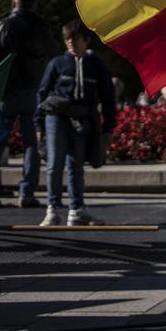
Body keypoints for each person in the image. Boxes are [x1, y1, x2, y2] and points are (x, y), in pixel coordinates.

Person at [0, 0, 58, 209]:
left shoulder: (0, 25)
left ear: (13, 3)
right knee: (31, 144)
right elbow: (53, 53)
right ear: (33, 5)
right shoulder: (41, 27)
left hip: (5, 90)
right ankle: (27, 192)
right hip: (32, 90)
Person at [36, 20, 116, 227]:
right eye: (67, 39)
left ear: (86, 40)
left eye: (75, 38)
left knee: (76, 164)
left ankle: (77, 209)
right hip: (57, 117)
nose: (70, 43)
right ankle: (52, 208)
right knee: (54, 163)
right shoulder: (57, 63)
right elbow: (42, 94)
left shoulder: (94, 65)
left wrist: (108, 127)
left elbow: (108, 96)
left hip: (81, 119)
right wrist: (39, 125)